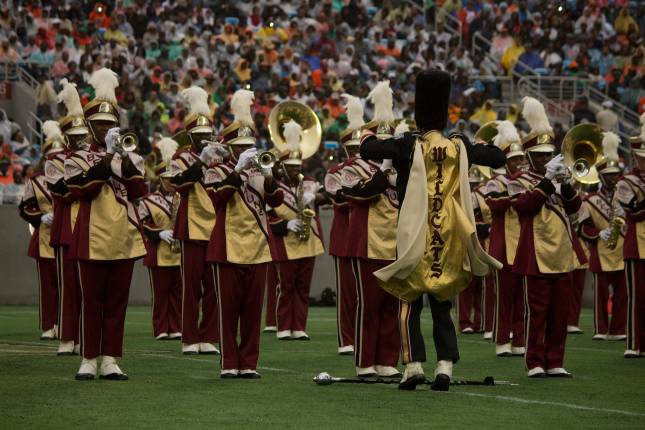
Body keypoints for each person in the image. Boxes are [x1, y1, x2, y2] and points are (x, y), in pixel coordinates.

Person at [359, 71, 505, 391]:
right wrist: (477, 142)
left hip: (413, 233)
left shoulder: (409, 143)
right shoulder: (458, 144)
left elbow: (366, 149)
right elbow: (498, 156)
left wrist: (376, 130)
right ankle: (445, 365)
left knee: (408, 300)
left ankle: (413, 365)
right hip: (448, 234)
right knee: (442, 301)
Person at [65, 68, 147, 381]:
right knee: (92, 300)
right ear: (89, 125)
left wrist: (122, 159)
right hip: (91, 235)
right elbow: (81, 191)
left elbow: (140, 191)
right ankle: (88, 358)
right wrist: (105, 161)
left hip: (123, 235)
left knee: (116, 302)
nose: (105, 128)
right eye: (99, 124)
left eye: (110, 124)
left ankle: (110, 358)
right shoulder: (79, 157)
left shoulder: (132, 157)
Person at [204, 89, 284, 378]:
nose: (246, 150)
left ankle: (248, 363)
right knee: (228, 312)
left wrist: (271, 176)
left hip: (258, 247)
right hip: (227, 246)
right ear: (229, 148)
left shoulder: (260, 171)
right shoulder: (216, 170)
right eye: (240, 146)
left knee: (252, 313)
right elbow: (217, 198)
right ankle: (229, 363)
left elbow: (275, 201)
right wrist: (237, 171)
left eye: (249, 144)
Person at [507, 97, 582, 378]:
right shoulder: (518, 179)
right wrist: (548, 181)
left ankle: (555, 360)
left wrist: (565, 186)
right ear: (528, 157)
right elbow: (523, 207)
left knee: (559, 314)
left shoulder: (561, 178)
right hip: (535, 254)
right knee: (536, 313)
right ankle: (535, 361)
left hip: (562, 252)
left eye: (547, 154)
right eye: (538, 155)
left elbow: (575, 208)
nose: (543, 159)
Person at [343, 81, 402, 379]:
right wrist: (383, 174)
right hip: (366, 244)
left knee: (392, 305)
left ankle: (387, 358)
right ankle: (365, 360)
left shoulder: (400, 172)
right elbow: (352, 195)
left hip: (395, 245)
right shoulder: (355, 166)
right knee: (369, 306)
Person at [169, 86, 219, 355]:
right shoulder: (181, 158)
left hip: (217, 227)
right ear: (190, 135)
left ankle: (209, 336)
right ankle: (190, 337)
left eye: (208, 134)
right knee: (190, 287)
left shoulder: (221, 157)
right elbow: (176, 183)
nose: (205, 139)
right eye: (199, 135)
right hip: (191, 226)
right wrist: (200, 162)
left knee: (213, 287)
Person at [268, 120, 325, 341]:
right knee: (286, 286)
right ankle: (283, 326)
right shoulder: (275, 187)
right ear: (282, 167)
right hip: (285, 241)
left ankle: (299, 326)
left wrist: (316, 196)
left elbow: (327, 196)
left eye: (298, 166)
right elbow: (267, 216)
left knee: (303, 286)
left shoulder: (309, 182)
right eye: (291, 166)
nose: (295, 169)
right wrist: (285, 224)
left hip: (307, 239)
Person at [46, 79, 88, 356]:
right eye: (76, 136)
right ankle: (67, 337)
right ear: (68, 137)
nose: (81, 139)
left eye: (83, 135)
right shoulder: (56, 159)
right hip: (66, 229)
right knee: (68, 286)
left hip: (88, 227)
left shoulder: (90, 157)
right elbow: (61, 190)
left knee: (88, 288)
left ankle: (84, 338)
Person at [578, 132, 627, 341]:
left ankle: (618, 330)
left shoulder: (626, 195)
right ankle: (600, 328)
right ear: (602, 177)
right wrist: (599, 233)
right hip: (601, 250)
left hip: (624, 249)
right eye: (609, 175)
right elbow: (583, 228)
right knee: (600, 294)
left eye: (616, 174)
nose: (613, 178)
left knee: (623, 295)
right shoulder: (590, 200)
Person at [484, 120, 527, 357]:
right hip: (503, 248)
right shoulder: (495, 182)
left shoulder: (527, 181)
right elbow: (494, 204)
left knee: (522, 299)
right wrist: (515, 196)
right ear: (505, 163)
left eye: (521, 159)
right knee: (503, 298)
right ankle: (502, 340)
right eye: (514, 160)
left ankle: (520, 340)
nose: (519, 164)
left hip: (523, 245)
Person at [323, 94, 362, 355]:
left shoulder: (374, 170)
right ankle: (347, 340)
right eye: (355, 149)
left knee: (367, 295)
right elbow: (340, 199)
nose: (358, 153)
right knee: (347, 294)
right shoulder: (335, 172)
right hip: (345, 237)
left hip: (368, 238)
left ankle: (363, 339)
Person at [18, 121, 62, 342]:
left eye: (59, 155)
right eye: (52, 156)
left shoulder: (71, 177)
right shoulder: (35, 181)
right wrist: (40, 217)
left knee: (69, 286)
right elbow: (24, 207)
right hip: (45, 237)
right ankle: (49, 324)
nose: (56, 159)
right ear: (45, 158)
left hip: (67, 236)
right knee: (48, 286)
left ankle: (67, 325)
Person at [138, 138, 182, 341]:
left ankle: (176, 326)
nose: (172, 183)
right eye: (168, 179)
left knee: (177, 293)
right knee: (161, 294)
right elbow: (143, 223)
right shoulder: (148, 201)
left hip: (180, 253)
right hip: (159, 253)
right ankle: (161, 328)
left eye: (175, 179)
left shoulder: (184, 199)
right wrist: (159, 233)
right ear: (161, 180)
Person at [614, 116, 645, 358]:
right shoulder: (626, 182)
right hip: (637, 245)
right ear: (635, 157)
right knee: (637, 297)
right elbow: (634, 211)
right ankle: (634, 344)